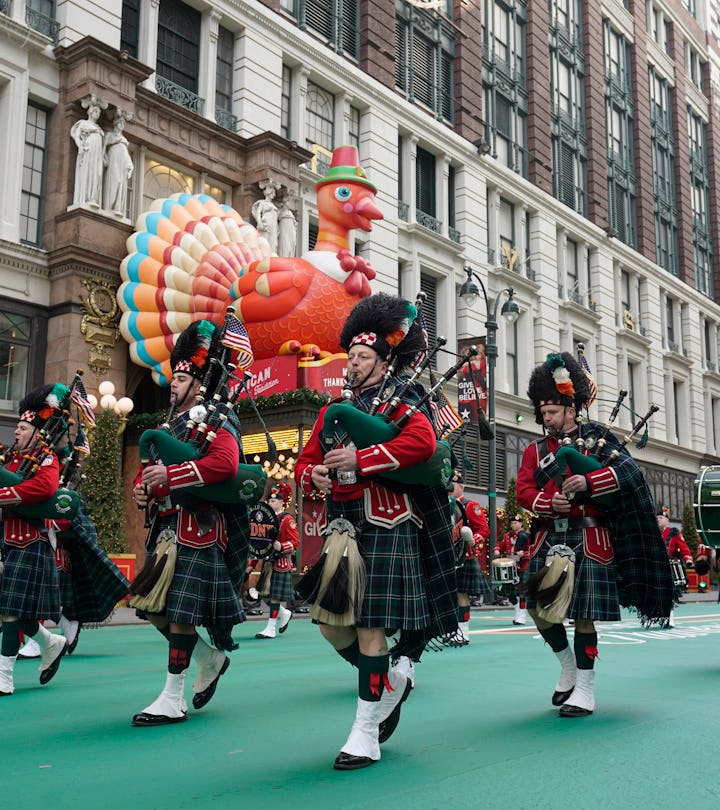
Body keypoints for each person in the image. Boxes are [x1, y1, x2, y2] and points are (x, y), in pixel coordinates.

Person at [295, 292, 457, 770]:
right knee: (328, 623)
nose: (354, 364)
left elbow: (422, 441)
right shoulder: (333, 409)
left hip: (387, 523)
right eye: (352, 356)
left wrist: (360, 459)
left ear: (385, 361)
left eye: (364, 357)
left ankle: (365, 731)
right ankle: (390, 681)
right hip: (343, 528)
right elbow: (306, 462)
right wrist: (316, 475)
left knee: (368, 628)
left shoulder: (403, 397)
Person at [516, 352, 673, 718]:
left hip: (590, 538)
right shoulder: (535, 450)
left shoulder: (599, 438)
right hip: (548, 539)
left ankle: (585, 688)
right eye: (543, 412)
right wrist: (546, 502)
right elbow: (523, 491)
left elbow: (630, 476)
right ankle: (568, 665)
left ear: (572, 408)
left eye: (552, 411)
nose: (546, 418)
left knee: (584, 616)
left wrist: (588, 480)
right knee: (539, 611)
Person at [130, 320, 249, 726]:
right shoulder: (169, 426)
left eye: (182, 377)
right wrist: (142, 490)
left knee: (179, 613)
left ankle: (172, 697)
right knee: (153, 608)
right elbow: (149, 471)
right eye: (173, 377)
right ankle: (208, 658)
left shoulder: (217, 419)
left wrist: (172, 477)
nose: (173, 385)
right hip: (165, 529)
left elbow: (224, 464)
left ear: (200, 382)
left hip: (197, 529)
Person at [0, 385, 71, 695]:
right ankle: (50, 641)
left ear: (36, 431)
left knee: (10, 611)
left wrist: (4, 495)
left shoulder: (47, 457)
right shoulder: (9, 458)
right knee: (18, 612)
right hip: (6, 540)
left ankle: (3, 675)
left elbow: (43, 489)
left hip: (30, 540)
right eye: (17, 426)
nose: (17, 431)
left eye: (24, 427)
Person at [445, 470, 491, 644]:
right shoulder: (441, 505)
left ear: (461, 487)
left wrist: (472, 540)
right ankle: (451, 630)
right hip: (445, 557)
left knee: (461, 594)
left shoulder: (470, 505)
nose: (449, 488)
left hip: (463, 556)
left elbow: (484, 530)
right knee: (448, 595)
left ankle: (463, 632)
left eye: (453, 485)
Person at [254, 482, 299, 639]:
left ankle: (270, 628)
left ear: (281, 502)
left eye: (273, 501)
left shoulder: (287, 519)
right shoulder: (266, 520)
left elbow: (296, 542)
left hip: (280, 563)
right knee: (264, 594)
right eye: (269, 500)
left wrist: (282, 546)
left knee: (273, 597)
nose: (270, 503)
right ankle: (284, 613)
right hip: (268, 562)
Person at [657, 507, 693, 628]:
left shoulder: (674, 532)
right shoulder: (654, 534)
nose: (658, 520)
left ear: (667, 520)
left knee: (669, 593)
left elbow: (683, 547)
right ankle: (660, 617)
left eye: (661, 518)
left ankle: (670, 617)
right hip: (657, 567)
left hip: (670, 566)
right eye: (657, 518)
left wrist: (688, 559)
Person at [70, 97, 106, 208]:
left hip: (97, 154)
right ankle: (85, 197)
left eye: (99, 112)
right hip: (88, 150)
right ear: (90, 112)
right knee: (89, 171)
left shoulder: (99, 128)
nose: (98, 114)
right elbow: (75, 134)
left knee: (97, 173)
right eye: (96, 111)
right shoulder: (84, 123)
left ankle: (93, 198)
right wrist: (80, 144)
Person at [495, 514, 531, 625]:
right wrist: (497, 550)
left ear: (521, 524)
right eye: (512, 523)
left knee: (522, 593)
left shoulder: (526, 536)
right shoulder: (507, 536)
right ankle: (517, 611)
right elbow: (500, 546)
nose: (513, 525)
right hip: (509, 568)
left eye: (515, 523)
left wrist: (523, 554)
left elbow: (532, 551)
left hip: (522, 568)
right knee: (508, 592)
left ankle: (522, 615)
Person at [103, 113, 134, 216]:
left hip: (123, 163)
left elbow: (126, 153)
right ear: (116, 123)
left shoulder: (125, 140)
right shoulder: (110, 135)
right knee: (115, 181)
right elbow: (103, 148)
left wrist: (130, 165)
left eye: (123, 123)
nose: (122, 125)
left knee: (121, 184)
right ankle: (109, 206)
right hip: (114, 160)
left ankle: (117, 207)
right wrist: (104, 158)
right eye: (120, 123)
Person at [251, 180, 279, 253]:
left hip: (273, 227)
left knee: (272, 243)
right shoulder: (262, 203)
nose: (274, 195)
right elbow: (257, 213)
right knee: (265, 242)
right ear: (269, 193)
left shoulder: (273, 206)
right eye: (273, 193)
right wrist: (259, 223)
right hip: (265, 225)